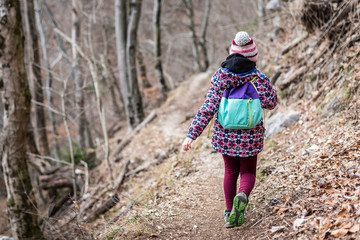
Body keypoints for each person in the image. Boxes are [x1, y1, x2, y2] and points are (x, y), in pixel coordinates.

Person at [182, 31, 278, 228]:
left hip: (225, 135)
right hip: (251, 134)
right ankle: (242, 195)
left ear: (232, 53)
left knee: (230, 170)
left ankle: (228, 212)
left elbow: (208, 107)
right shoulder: (258, 77)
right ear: (253, 57)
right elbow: (271, 102)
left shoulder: (220, 76)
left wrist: (192, 134)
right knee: (248, 171)